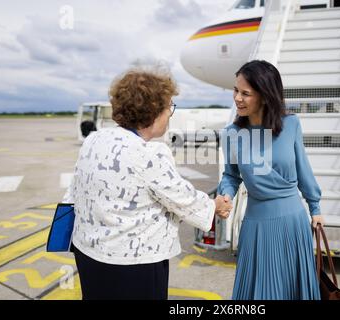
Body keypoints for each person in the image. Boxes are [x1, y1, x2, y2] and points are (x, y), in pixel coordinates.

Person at [63, 66, 232, 300]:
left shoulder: (95, 139)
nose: (170, 114)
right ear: (153, 111)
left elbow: (75, 190)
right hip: (132, 264)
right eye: (169, 107)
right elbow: (182, 199)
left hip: (89, 253)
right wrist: (215, 206)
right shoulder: (149, 153)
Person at [217, 60, 324, 300]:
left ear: (265, 96)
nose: (237, 98)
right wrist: (226, 194)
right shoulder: (232, 134)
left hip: (292, 223)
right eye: (236, 90)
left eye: (246, 93)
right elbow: (231, 175)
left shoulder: (291, 124)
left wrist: (315, 207)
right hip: (256, 224)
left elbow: (303, 169)